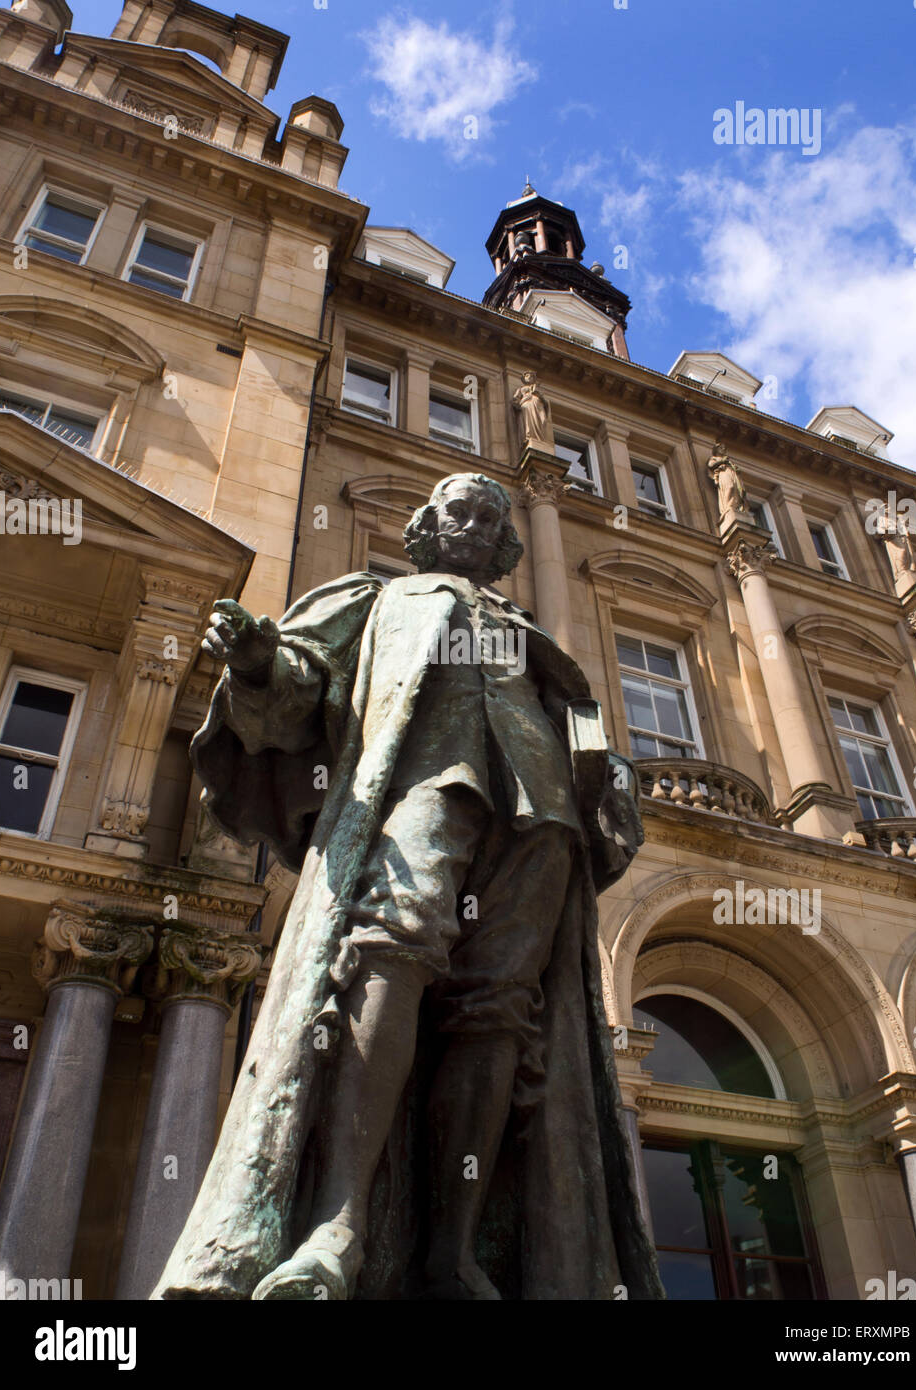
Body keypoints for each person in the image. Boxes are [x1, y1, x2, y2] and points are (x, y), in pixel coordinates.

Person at [153, 472, 662, 1302]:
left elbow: (581, 731)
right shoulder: (379, 596)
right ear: (426, 527)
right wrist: (254, 662)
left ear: (505, 544)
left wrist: (608, 783)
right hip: (426, 785)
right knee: (389, 954)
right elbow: (297, 683)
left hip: (540, 817)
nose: (473, 523)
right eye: (456, 510)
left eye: (490, 517)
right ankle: (336, 1226)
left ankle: (454, 1250)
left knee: (501, 1008)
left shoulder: (531, 633)